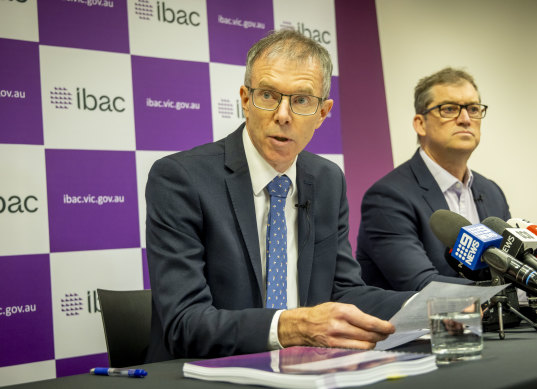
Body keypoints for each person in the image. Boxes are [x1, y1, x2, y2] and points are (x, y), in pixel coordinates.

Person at [145, 29, 415, 363]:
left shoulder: (328, 180)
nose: (283, 115)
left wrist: (425, 306)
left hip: (305, 371)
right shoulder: (181, 179)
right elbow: (184, 325)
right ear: (245, 99)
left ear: (323, 113)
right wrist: (290, 326)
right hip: (205, 372)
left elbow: (344, 292)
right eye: (269, 95)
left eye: (301, 100)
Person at [356, 67, 511, 292]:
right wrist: (504, 293)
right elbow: (422, 285)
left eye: (474, 109)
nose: (466, 119)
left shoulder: (492, 192)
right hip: (417, 325)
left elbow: (511, 268)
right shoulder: (388, 197)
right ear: (420, 123)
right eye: (449, 109)